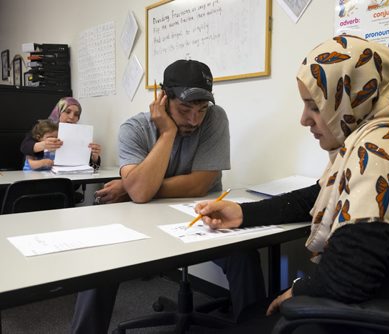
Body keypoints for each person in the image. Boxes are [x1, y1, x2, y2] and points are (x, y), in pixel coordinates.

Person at [195, 35, 389, 332]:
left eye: (315, 106)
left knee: (253, 322)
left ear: (353, 100)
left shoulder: (379, 153)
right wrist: (245, 214)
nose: (304, 119)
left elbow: (345, 279)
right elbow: (319, 195)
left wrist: (298, 290)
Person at [70, 59, 265, 334]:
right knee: (100, 262)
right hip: (140, 220)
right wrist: (168, 133)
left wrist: (130, 186)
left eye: (201, 109)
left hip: (199, 215)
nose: (194, 120)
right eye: (185, 109)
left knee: (244, 254)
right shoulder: (134, 129)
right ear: (162, 98)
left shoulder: (215, 117)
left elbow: (200, 183)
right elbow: (141, 193)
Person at [20, 97, 101, 170]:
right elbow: (24, 147)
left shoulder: (80, 135)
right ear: (59, 111)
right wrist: (44, 145)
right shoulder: (43, 127)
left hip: (68, 179)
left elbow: (92, 168)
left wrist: (94, 157)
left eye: (76, 114)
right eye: (67, 112)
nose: (72, 117)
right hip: (39, 178)